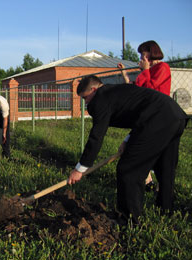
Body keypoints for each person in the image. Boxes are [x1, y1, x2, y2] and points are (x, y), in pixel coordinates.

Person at [67, 75, 188, 224]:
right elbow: (139, 111)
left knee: (128, 170)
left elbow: (96, 136)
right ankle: (166, 210)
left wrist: (80, 168)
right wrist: (127, 140)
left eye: (85, 98)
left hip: (157, 118)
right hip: (175, 115)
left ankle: (128, 219)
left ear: (93, 89)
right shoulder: (117, 91)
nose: (86, 103)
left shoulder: (101, 98)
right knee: (166, 166)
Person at [118, 40, 171, 188]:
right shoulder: (148, 70)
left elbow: (151, 91)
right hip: (146, 115)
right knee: (130, 146)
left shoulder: (163, 67)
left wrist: (146, 70)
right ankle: (148, 182)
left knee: (144, 150)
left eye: (143, 53)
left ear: (152, 52)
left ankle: (153, 183)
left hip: (159, 115)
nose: (141, 57)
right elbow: (137, 88)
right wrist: (125, 75)